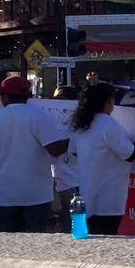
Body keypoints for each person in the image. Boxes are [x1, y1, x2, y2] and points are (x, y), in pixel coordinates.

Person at [71, 81, 135, 235]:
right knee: (107, 239)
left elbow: (74, 152)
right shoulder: (107, 124)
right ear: (108, 101)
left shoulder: (81, 124)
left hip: (88, 193)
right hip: (109, 196)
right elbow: (130, 154)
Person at [0, 76, 69, 232]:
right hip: (37, 195)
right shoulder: (39, 116)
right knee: (36, 246)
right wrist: (72, 139)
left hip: (6, 195)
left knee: (8, 246)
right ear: (27, 96)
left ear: (5, 97)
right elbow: (54, 150)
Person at [50, 84, 82, 225]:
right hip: (58, 183)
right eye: (55, 99)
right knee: (63, 225)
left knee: (76, 226)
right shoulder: (51, 122)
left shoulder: (82, 124)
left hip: (75, 184)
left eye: (61, 99)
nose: (57, 103)